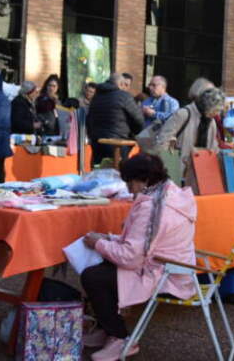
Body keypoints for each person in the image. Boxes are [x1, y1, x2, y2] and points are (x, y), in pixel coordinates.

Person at [81, 153, 196, 361]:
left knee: (93, 276)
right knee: (103, 267)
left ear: (142, 180)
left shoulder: (152, 206)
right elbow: (142, 243)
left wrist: (99, 243)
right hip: (175, 269)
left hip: (164, 274)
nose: (128, 188)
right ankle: (109, 328)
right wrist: (108, 239)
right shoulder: (170, 195)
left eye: (129, 182)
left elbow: (131, 257)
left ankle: (119, 336)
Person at [156, 86, 224, 189]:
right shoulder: (183, 114)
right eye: (216, 110)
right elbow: (163, 141)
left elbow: (213, 148)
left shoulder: (211, 121)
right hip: (176, 172)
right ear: (206, 105)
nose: (217, 114)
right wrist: (167, 170)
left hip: (199, 175)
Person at [87, 73, 144, 165]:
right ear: (120, 84)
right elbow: (139, 120)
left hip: (97, 142)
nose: (126, 87)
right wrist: (134, 133)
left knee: (100, 173)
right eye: (125, 85)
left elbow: (89, 119)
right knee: (118, 174)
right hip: (118, 143)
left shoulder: (96, 97)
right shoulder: (124, 96)